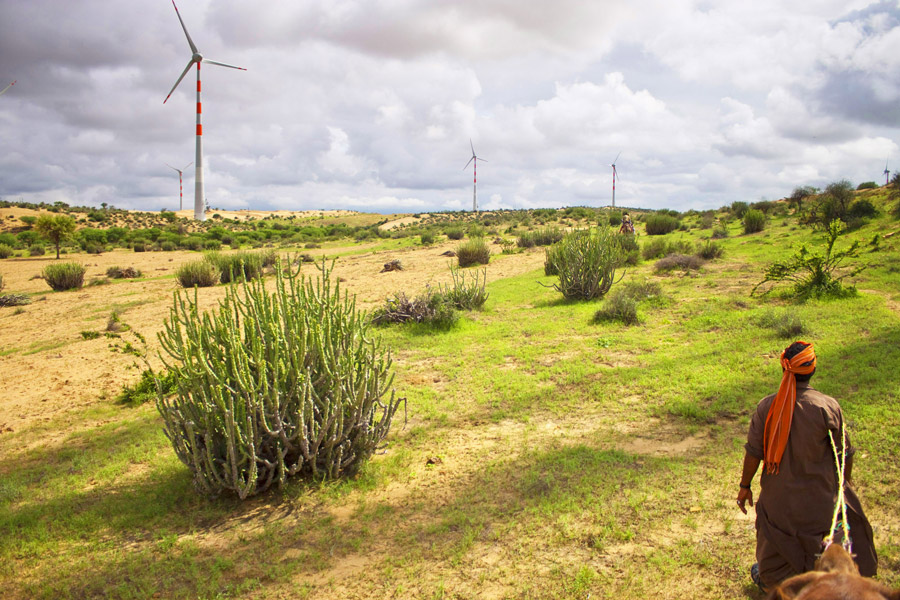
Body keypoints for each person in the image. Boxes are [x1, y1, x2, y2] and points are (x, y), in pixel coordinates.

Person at [736, 341, 877, 592]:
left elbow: (753, 453)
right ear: (812, 369)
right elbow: (844, 454)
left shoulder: (766, 407)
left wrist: (745, 486)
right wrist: (843, 485)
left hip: (778, 507)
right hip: (820, 504)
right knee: (827, 545)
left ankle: (775, 583)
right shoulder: (827, 407)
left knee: (768, 568)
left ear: (783, 368)